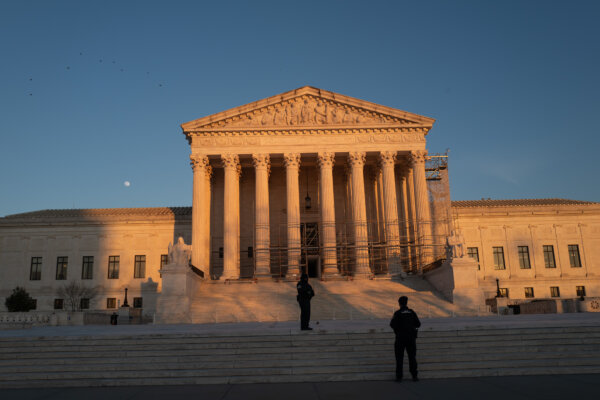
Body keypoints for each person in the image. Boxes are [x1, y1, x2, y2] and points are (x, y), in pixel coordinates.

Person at [389, 296, 421, 382]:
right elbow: (418, 324)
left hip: (400, 338)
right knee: (412, 357)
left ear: (399, 303)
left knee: (399, 358)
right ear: (406, 303)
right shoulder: (412, 312)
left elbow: (392, 324)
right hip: (411, 338)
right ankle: (414, 376)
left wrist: (397, 331)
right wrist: (414, 331)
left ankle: (399, 377)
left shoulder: (398, 313)